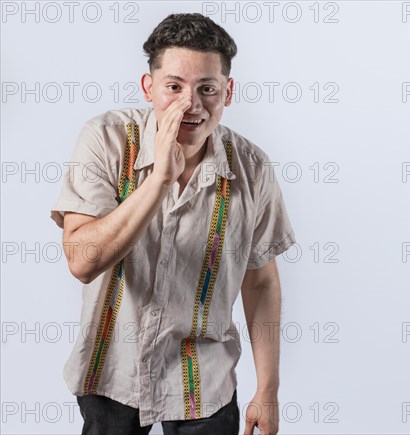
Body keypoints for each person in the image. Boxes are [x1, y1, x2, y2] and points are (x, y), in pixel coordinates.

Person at [50, 13, 296, 435]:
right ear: (149, 88)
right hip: (113, 370)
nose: (192, 104)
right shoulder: (106, 140)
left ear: (228, 92)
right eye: (174, 87)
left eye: (207, 88)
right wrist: (159, 180)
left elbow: (261, 283)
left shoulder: (252, 168)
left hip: (206, 378)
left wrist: (268, 391)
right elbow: (82, 261)